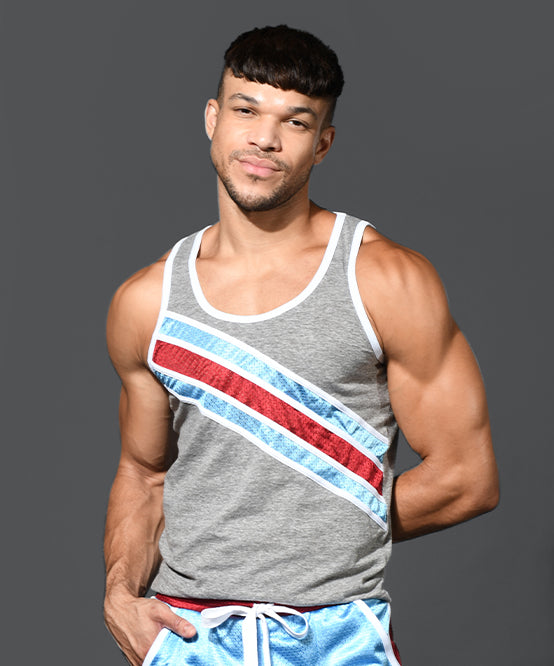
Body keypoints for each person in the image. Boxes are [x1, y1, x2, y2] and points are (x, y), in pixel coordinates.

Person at [103, 24, 499, 666]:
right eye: (246, 110)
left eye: (295, 121)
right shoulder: (147, 301)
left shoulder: (384, 279)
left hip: (336, 639)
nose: (265, 138)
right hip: (187, 638)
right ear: (213, 119)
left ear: (322, 144)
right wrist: (120, 594)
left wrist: (314, 534)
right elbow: (143, 474)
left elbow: (466, 478)